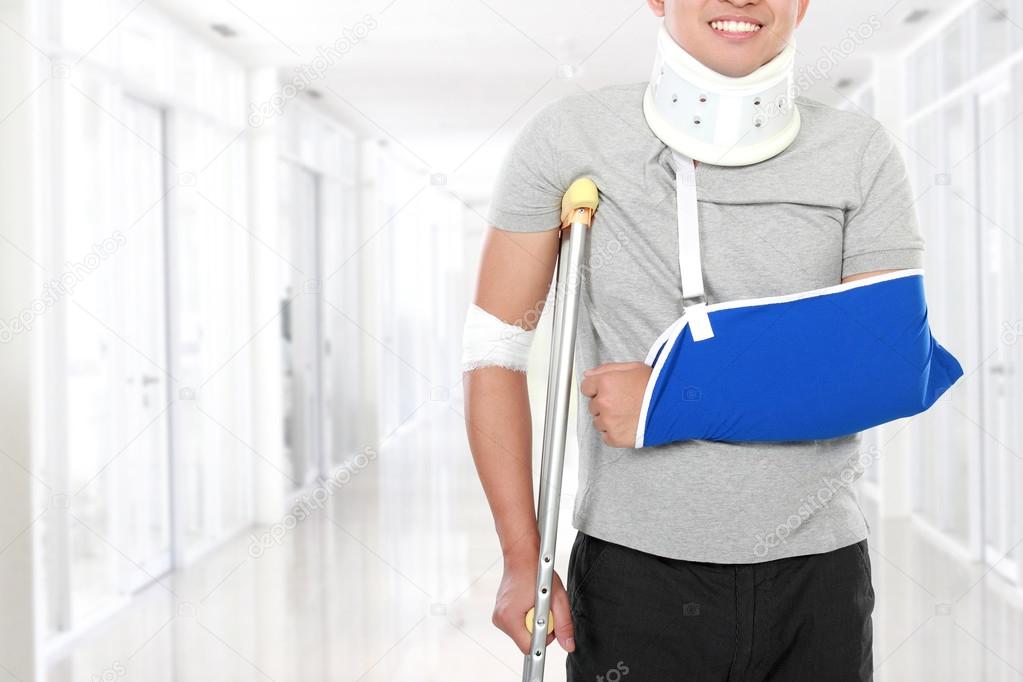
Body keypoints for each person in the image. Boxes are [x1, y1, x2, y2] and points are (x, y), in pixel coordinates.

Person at [462, 1, 919, 679]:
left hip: (817, 576)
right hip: (633, 576)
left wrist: (674, 395)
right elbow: (494, 352)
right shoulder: (571, 138)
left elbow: (884, 367)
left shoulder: (858, 151)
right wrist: (520, 556)